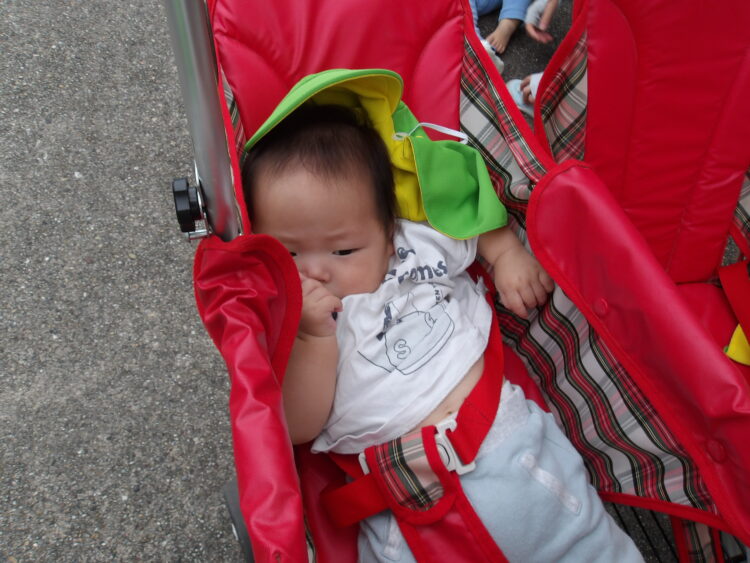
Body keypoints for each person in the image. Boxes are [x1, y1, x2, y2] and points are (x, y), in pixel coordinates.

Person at [242, 100, 643, 562]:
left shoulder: (414, 250)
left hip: (514, 453)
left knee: (593, 548)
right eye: (289, 254)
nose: (315, 271)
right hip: (406, 506)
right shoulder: (301, 324)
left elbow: (470, 223)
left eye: (344, 250)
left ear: (388, 234)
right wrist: (314, 338)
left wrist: (506, 255)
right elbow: (297, 426)